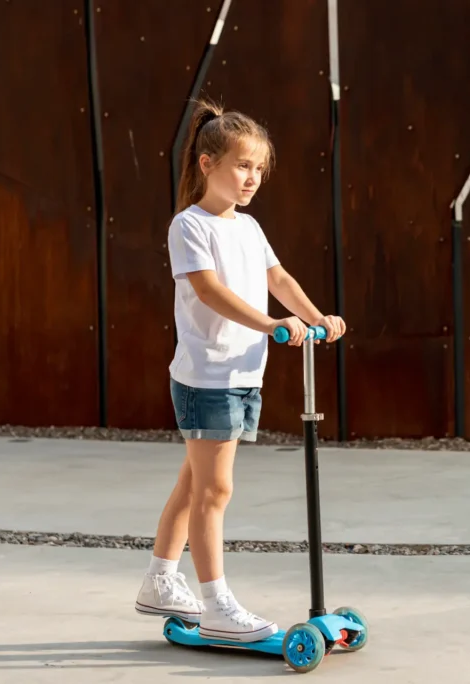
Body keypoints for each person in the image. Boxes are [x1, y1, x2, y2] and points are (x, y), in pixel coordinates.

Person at [133, 98, 345, 643]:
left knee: (194, 482)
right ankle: (216, 606)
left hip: (242, 375)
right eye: (242, 165)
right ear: (208, 164)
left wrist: (316, 318)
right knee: (215, 491)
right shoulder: (190, 226)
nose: (252, 178)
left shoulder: (248, 227)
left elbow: (280, 280)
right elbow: (209, 291)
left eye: (259, 168)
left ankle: (160, 579)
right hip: (207, 378)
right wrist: (271, 324)